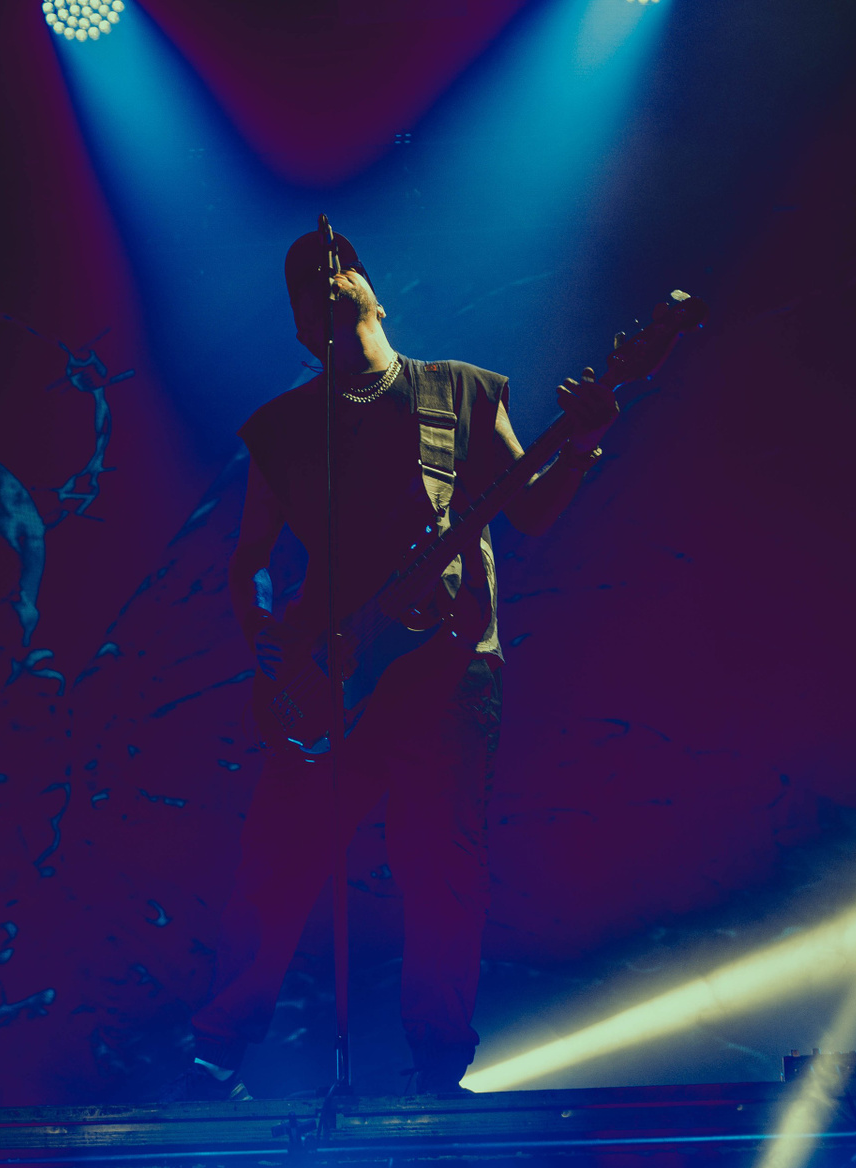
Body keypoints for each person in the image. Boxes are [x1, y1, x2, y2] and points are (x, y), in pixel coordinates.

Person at [165, 223, 619, 1100]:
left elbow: (531, 512)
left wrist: (585, 444)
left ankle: (437, 1071)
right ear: (303, 327)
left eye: (342, 265)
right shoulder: (283, 429)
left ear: (374, 293)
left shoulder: (463, 391)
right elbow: (250, 556)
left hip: (449, 677)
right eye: (310, 279)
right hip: (326, 676)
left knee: (444, 874)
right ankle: (216, 1053)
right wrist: (263, 637)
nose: (330, 274)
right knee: (275, 868)